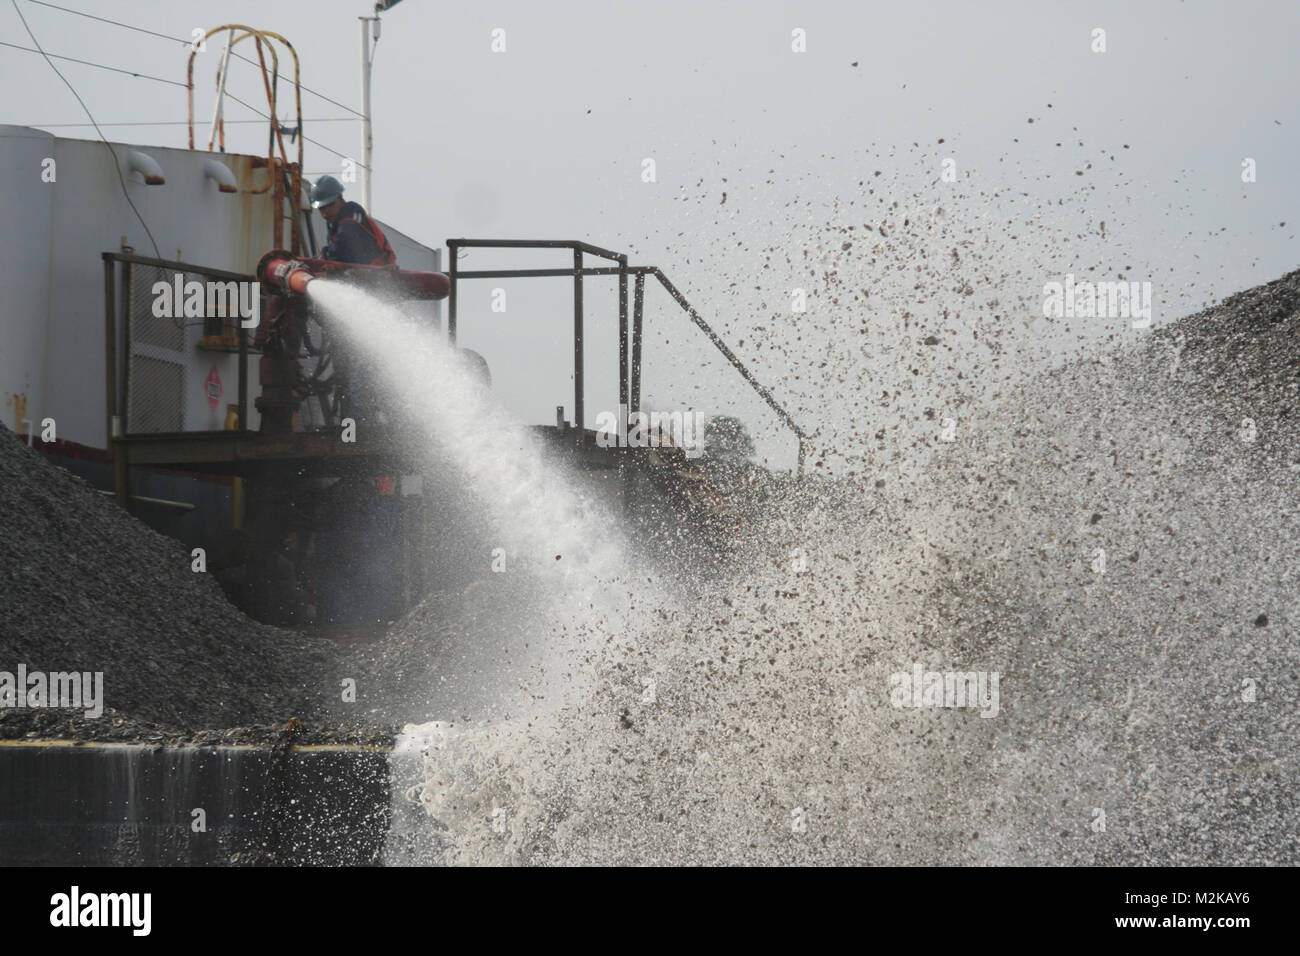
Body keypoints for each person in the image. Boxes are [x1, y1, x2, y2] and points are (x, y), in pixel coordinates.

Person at [308, 175, 396, 422]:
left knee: (362, 362)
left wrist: (326, 260)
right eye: (321, 209)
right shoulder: (342, 222)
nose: (324, 213)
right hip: (367, 293)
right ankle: (361, 420)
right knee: (358, 360)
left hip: (374, 294)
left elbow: (340, 254)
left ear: (339, 200)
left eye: (328, 207)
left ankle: (362, 423)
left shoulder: (350, 224)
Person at [310, 175, 397, 267]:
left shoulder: (351, 221)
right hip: (362, 270)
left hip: (378, 269)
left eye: (331, 204)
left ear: (341, 200)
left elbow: (338, 250)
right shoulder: (335, 223)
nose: (327, 211)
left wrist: (323, 256)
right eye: (322, 208)